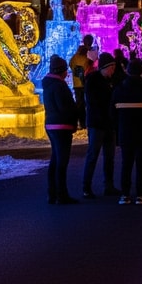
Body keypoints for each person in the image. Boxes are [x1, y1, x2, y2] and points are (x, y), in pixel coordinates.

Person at [113, 57, 142, 205]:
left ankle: (124, 194)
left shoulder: (119, 88)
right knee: (141, 164)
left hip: (125, 131)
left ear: (127, 70)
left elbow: (111, 111)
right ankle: (140, 194)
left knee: (126, 163)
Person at [81, 53, 121, 199]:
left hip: (108, 124)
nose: (114, 70)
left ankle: (108, 185)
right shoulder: (93, 81)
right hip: (97, 124)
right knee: (93, 155)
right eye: (112, 67)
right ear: (106, 67)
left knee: (109, 156)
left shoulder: (110, 81)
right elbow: (94, 103)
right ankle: (86, 187)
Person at [41, 57, 80, 205]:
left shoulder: (49, 85)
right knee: (62, 162)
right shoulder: (59, 86)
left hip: (51, 124)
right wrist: (75, 113)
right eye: (66, 71)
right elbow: (65, 107)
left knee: (55, 159)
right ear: (62, 71)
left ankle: (52, 193)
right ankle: (61, 194)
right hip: (62, 125)